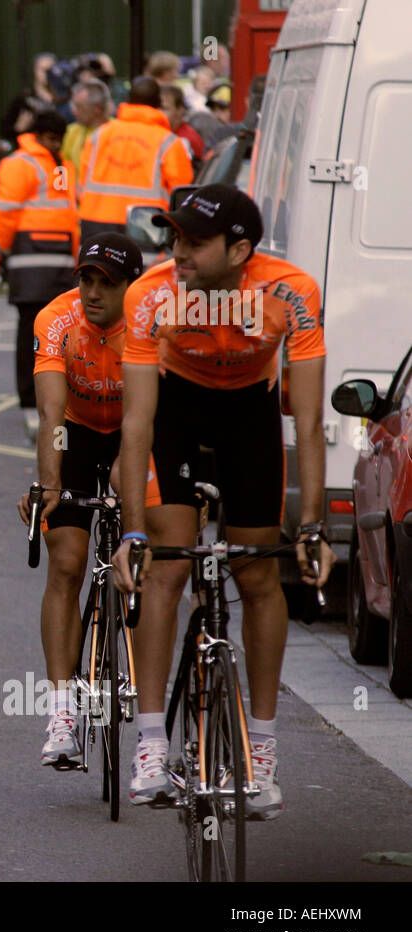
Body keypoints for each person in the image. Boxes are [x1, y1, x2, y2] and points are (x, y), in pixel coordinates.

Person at [109, 185, 334, 818]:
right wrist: (132, 533)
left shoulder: (290, 292)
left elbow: (309, 419)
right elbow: (136, 425)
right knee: (169, 567)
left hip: (248, 414)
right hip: (176, 405)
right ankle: (152, 742)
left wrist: (312, 524)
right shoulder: (151, 293)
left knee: (260, 574)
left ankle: (260, 751)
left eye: (194, 241)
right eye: (173, 237)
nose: (177, 250)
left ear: (240, 250)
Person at [15, 233, 142, 766]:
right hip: (76, 434)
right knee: (66, 563)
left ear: (131, 287)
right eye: (86, 280)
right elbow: (51, 416)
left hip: (134, 434)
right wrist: (48, 484)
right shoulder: (56, 320)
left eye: (106, 283)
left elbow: (157, 417)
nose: (93, 292)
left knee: (150, 551)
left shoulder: (148, 322)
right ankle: (62, 710)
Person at [0, 109, 79, 441]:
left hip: (57, 262)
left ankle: (53, 401)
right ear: (40, 135)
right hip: (31, 260)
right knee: (31, 330)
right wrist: (3, 252)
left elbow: (70, 214)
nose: (56, 143)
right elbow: (5, 213)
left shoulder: (61, 166)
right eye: (52, 137)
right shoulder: (20, 163)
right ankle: (30, 402)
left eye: (60, 138)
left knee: (60, 331)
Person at [76, 76, 193, 241]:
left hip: (95, 223)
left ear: (128, 100)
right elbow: (180, 195)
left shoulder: (100, 135)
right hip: (145, 226)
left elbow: (81, 185)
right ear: (158, 103)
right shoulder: (168, 142)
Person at [0, 53, 56, 142]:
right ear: (35, 71)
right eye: (43, 70)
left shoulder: (65, 98)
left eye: (51, 70)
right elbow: (5, 132)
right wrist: (19, 128)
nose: (47, 74)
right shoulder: (23, 100)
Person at [62, 78, 112, 171]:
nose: (74, 111)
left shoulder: (117, 133)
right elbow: (62, 170)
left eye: (79, 106)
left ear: (97, 108)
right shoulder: (71, 131)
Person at [159, 83, 204, 166]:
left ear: (180, 110)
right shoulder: (163, 134)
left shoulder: (187, 139)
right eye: (156, 107)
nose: (158, 113)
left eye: (164, 109)